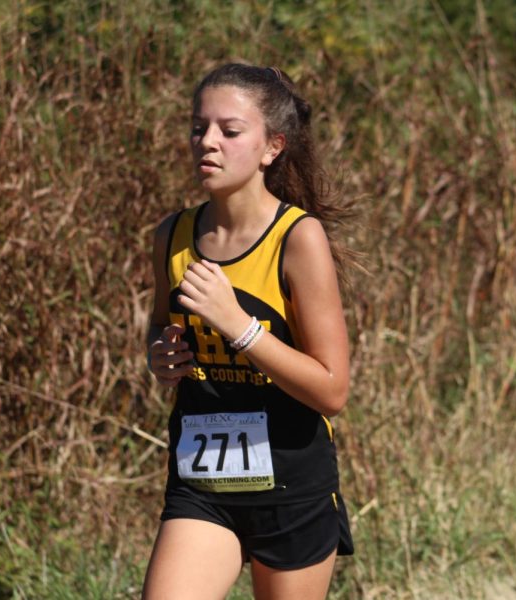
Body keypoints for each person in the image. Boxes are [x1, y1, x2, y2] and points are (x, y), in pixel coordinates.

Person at [141, 63, 355, 600]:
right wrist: (160, 356)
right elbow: (159, 328)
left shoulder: (298, 238)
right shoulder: (173, 234)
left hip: (292, 485)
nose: (207, 143)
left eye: (229, 131)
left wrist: (237, 325)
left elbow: (331, 389)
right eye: (198, 127)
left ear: (271, 147)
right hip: (202, 486)